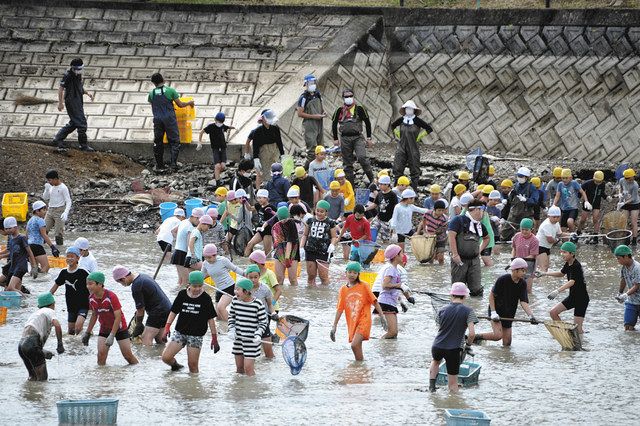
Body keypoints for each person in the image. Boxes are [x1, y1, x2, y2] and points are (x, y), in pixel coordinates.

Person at [162, 271, 219, 373]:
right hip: (180, 332)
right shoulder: (182, 294)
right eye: (194, 286)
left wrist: (214, 338)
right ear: (189, 284)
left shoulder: (205, 298)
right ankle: (176, 366)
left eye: (200, 286)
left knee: (192, 365)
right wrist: (167, 328)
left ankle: (194, 387)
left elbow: (211, 319)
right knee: (166, 357)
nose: (197, 289)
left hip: (196, 336)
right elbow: (173, 312)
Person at [474, 258, 539, 346]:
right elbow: (491, 296)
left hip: (509, 313)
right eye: (522, 270)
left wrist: (531, 316)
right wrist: (493, 312)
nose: (524, 273)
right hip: (496, 310)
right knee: (498, 336)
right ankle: (475, 337)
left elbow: (523, 302)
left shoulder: (523, 283)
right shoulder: (503, 279)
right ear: (515, 270)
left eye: (525, 271)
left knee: (507, 343)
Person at [330, 261, 386, 361]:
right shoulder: (343, 290)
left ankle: (360, 366)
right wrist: (334, 326)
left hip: (364, 320)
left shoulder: (364, 286)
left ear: (358, 274)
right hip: (352, 322)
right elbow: (339, 309)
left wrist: (382, 316)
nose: (352, 275)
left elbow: (375, 302)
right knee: (357, 347)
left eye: (355, 273)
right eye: (350, 272)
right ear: (345, 272)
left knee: (354, 345)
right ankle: (361, 368)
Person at [82, 272, 138, 366]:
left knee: (128, 356)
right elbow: (94, 315)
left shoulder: (111, 296)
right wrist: (87, 332)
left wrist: (112, 335)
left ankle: (138, 372)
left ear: (100, 284)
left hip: (120, 328)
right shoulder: (91, 298)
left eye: (91, 284)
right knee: (101, 356)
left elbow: (118, 317)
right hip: (104, 328)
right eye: (87, 284)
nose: (88, 286)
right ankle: (103, 378)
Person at [429, 282, 476, 393]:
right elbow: (472, 334)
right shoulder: (468, 311)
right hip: (453, 349)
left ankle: (431, 387)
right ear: (465, 296)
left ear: (451, 295)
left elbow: (440, 326)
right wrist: (468, 345)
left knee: (435, 361)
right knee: (453, 385)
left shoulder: (442, 310)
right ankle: (453, 402)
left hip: (437, 345)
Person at [113, 265, 172, 345]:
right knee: (159, 339)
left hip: (158, 311)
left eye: (120, 282)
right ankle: (160, 356)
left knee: (145, 337)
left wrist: (139, 324)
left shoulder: (136, 286)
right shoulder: (142, 276)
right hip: (167, 308)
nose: (122, 285)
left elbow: (141, 310)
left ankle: (146, 357)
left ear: (123, 278)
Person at [148, 72, 195, 172]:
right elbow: (180, 105)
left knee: (158, 141)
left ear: (153, 83)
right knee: (174, 141)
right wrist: (190, 103)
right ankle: (173, 165)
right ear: (163, 80)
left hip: (157, 120)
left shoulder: (151, 94)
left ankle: (160, 165)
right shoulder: (170, 91)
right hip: (169, 120)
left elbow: (153, 106)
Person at [542, 242, 589, 334]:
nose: (562, 254)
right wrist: (544, 273)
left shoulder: (576, 266)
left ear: (572, 254)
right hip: (573, 297)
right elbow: (561, 273)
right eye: (561, 252)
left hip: (581, 299)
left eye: (564, 252)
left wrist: (557, 291)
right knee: (553, 312)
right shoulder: (568, 263)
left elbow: (572, 281)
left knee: (578, 329)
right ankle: (565, 333)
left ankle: (580, 345)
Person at [18, 292, 65, 381]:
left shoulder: (36, 314)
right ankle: (38, 394)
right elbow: (57, 325)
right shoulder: (49, 311)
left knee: (33, 377)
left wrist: (42, 352)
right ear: (53, 304)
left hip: (21, 346)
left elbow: (29, 342)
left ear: (39, 306)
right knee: (42, 380)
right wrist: (60, 344)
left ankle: (30, 393)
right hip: (31, 344)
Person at [331, 88, 374, 184]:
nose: (349, 98)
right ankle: (350, 186)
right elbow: (334, 123)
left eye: (350, 96)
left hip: (358, 137)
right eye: (346, 96)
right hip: (345, 138)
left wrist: (369, 138)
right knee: (347, 163)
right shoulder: (340, 110)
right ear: (343, 98)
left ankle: (372, 180)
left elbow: (367, 123)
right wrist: (335, 139)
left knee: (362, 157)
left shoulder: (360, 108)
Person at [448, 199, 489, 296]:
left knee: (477, 290)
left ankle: (476, 308)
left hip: (474, 261)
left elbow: (487, 238)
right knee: (458, 289)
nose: (483, 213)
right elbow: (451, 235)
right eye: (482, 210)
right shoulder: (458, 220)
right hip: (459, 260)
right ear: (476, 210)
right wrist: (455, 254)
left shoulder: (480, 225)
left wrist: (479, 250)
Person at [52, 58, 94, 152]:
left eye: (80, 69)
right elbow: (61, 89)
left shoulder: (78, 75)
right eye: (78, 69)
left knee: (74, 123)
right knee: (82, 124)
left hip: (78, 101)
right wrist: (60, 103)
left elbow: (79, 87)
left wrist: (87, 93)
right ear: (73, 68)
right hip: (72, 102)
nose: (79, 71)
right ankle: (83, 146)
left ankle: (58, 138)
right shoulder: (68, 76)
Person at [228, 278, 268, 376]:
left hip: (252, 341)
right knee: (239, 368)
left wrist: (258, 334)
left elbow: (263, 322)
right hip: (238, 339)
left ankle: (252, 389)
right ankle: (240, 389)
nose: (235, 291)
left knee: (248, 369)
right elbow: (231, 317)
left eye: (238, 289)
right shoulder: (235, 301)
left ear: (246, 292)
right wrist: (231, 329)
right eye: (235, 289)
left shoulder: (257, 304)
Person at [391, 100, 433, 186]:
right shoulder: (402, 119)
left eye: (410, 109)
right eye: (407, 109)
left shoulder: (417, 121)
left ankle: (414, 189)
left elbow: (429, 129)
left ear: (414, 110)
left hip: (413, 147)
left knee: (414, 167)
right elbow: (393, 125)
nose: (408, 111)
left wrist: (420, 136)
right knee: (398, 166)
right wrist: (398, 133)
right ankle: (397, 187)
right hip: (401, 147)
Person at [49, 246, 88, 334]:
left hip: (83, 304)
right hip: (70, 305)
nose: (69, 258)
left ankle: (84, 340)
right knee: (71, 331)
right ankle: (75, 346)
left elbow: (92, 284)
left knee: (78, 327)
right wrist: (48, 296)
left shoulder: (82, 271)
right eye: (68, 256)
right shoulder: (64, 272)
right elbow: (56, 285)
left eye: (72, 256)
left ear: (77, 258)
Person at [200, 244, 245, 321]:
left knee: (221, 307)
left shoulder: (223, 260)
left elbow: (235, 269)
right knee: (218, 317)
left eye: (209, 257)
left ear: (215, 255)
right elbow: (201, 276)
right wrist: (192, 283)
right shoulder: (205, 263)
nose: (207, 259)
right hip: (218, 289)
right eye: (205, 257)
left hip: (229, 287)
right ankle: (223, 330)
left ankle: (232, 327)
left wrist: (245, 274)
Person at [378, 245, 413, 339]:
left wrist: (408, 297)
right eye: (401, 253)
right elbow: (385, 285)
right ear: (395, 256)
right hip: (386, 302)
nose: (403, 255)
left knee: (394, 334)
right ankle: (379, 343)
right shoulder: (390, 269)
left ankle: (389, 351)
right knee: (392, 332)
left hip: (391, 302)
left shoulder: (396, 269)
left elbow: (399, 286)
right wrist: (399, 285)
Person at [301, 200, 338, 286]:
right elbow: (305, 235)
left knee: (323, 277)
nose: (319, 213)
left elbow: (334, 237)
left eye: (322, 211)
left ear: (326, 212)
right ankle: (311, 295)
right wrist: (301, 247)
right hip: (310, 250)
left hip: (324, 252)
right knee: (311, 276)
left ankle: (324, 295)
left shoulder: (331, 223)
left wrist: (332, 244)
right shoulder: (310, 221)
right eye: (317, 211)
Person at [245, 109, 285, 187]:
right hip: (263, 152)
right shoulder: (257, 131)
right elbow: (255, 145)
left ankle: (276, 187)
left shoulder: (275, 128)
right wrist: (255, 158)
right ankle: (263, 189)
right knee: (264, 172)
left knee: (276, 169)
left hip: (274, 150)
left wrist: (282, 154)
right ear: (263, 119)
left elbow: (279, 142)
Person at [246, 265, 278, 358]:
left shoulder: (265, 289)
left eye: (255, 277)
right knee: (250, 353)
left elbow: (270, 305)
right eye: (250, 277)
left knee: (269, 354)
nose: (253, 280)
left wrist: (273, 313)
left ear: (259, 276)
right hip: (249, 323)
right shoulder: (244, 289)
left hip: (263, 322)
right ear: (246, 277)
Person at [501, 167, 540, 241]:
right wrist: (505, 201)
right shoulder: (516, 186)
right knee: (504, 233)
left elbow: (535, 201)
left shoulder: (532, 188)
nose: (519, 178)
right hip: (514, 214)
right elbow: (510, 201)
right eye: (518, 176)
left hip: (526, 215)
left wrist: (526, 200)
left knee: (525, 235)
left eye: (521, 176)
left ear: (526, 177)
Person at [197, 111, 234, 184]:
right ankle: (218, 182)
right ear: (215, 120)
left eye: (221, 122)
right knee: (217, 165)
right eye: (218, 121)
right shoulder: (211, 126)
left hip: (223, 148)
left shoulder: (222, 126)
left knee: (223, 166)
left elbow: (227, 127)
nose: (219, 123)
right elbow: (201, 132)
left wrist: (233, 128)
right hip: (215, 148)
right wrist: (199, 142)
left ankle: (216, 175)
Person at [171, 207, 204, 287]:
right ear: (196, 218)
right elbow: (190, 244)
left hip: (177, 252)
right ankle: (183, 298)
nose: (199, 224)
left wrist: (179, 240)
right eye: (199, 221)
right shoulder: (191, 227)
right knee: (186, 281)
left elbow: (173, 231)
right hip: (183, 254)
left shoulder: (183, 222)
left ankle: (175, 294)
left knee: (180, 281)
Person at [297, 74, 326, 166]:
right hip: (309, 124)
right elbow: (300, 113)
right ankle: (306, 170)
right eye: (310, 83)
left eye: (313, 82)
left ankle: (320, 168)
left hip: (319, 123)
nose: (312, 84)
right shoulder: (303, 97)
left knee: (321, 148)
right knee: (312, 151)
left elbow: (321, 107)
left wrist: (323, 113)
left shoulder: (318, 94)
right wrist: (314, 116)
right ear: (306, 84)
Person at [3, 217, 37, 293]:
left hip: (21, 266)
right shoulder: (11, 238)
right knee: (7, 290)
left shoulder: (22, 238)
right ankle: (21, 303)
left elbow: (29, 252)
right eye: (6, 229)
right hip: (13, 267)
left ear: (16, 227)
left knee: (11, 288)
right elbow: (11, 253)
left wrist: (34, 266)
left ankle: (26, 300)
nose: (8, 230)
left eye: (9, 228)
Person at [27, 201, 59, 274]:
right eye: (44, 210)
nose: (45, 212)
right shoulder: (40, 220)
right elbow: (44, 235)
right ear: (37, 211)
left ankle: (33, 283)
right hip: (37, 246)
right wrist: (52, 247)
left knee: (34, 268)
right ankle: (41, 282)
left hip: (29, 246)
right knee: (46, 266)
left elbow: (27, 235)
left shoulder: (30, 221)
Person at [271, 206, 300, 286]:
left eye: (285, 219)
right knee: (279, 278)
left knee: (292, 279)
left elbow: (290, 242)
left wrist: (287, 258)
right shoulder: (276, 223)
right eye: (281, 219)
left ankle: (292, 297)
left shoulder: (291, 223)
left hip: (292, 250)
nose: (284, 221)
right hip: (280, 248)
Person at [613, 245, 640, 331]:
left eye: (619, 258)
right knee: (628, 327)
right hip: (632, 301)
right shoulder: (624, 267)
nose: (618, 261)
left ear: (626, 257)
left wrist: (625, 295)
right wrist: (620, 293)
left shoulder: (637, 268)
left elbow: (637, 285)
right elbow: (623, 279)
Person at [42, 170, 72, 246]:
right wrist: (46, 189)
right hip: (50, 210)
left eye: (50, 180)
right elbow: (45, 198)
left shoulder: (63, 187)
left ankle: (59, 251)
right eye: (48, 180)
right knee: (43, 231)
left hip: (60, 211)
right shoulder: (51, 187)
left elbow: (68, 201)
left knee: (58, 234)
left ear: (55, 179)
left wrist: (66, 212)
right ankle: (42, 249)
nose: (49, 182)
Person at [244, 189, 276, 256]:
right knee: (250, 244)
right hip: (260, 230)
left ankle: (268, 265)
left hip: (268, 232)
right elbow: (250, 208)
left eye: (260, 198)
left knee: (267, 253)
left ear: (266, 198)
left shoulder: (271, 207)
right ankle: (246, 263)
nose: (259, 200)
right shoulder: (259, 205)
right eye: (258, 198)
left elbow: (277, 217)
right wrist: (245, 201)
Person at [511, 218, 539, 293]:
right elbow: (514, 249)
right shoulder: (516, 236)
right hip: (516, 265)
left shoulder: (535, 240)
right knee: (515, 289)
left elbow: (533, 255)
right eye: (522, 229)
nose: (524, 231)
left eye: (526, 230)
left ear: (531, 229)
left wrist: (519, 261)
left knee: (527, 291)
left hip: (529, 266)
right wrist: (512, 259)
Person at [416, 199, 448, 265]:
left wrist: (431, 234)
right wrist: (423, 231)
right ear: (434, 209)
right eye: (439, 210)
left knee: (441, 258)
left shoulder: (444, 219)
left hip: (441, 239)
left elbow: (440, 231)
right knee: (431, 258)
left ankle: (440, 270)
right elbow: (423, 221)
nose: (441, 212)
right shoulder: (428, 213)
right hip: (430, 239)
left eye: (442, 210)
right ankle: (432, 271)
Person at [368, 175, 399, 243]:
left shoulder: (392, 195)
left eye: (381, 184)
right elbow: (375, 204)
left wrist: (394, 219)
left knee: (385, 239)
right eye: (379, 184)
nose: (380, 186)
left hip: (387, 220)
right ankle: (371, 246)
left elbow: (396, 207)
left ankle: (385, 251)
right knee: (371, 229)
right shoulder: (380, 193)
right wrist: (366, 209)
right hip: (378, 217)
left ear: (387, 185)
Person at [578, 170, 606, 244]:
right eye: (596, 181)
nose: (598, 183)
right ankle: (578, 232)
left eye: (599, 181)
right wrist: (580, 199)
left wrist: (606, 197)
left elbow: (602, 192)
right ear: (594, 179)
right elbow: (580, 191)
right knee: (583, 220)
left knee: (596, 219)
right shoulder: (588, 183)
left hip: (596, 203)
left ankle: (595, 236)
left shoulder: (602, 184)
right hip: (587, 203)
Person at [535, 206, 565, 272]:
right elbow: (550, 240)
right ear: (549, 216)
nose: (556, 219)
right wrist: (557, 240)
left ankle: (540, 279)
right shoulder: (546, 224)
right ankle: (541, 281)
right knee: (543, 267)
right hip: (539, 246)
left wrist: (571, 234)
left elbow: (560, 234)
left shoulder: (556, 223)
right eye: (554, 217)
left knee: (547, 267)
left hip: (547, 247)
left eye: (558, 217)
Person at [617, 168, 640, 246]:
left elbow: (633, 198)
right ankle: (625, 238)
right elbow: (620, 187)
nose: (629, 181)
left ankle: (634, 240)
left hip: (635, 204)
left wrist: (623, 203)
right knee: (624, 221)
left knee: (633, 222)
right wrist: (620, 194)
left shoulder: (635, 185)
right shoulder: (621, 180)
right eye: (627, 179)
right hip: (625, 204)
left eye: (630, 179)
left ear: (633, 177)